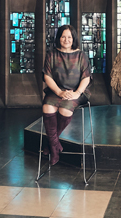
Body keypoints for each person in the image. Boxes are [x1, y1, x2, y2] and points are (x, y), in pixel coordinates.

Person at [41, 24, 92, 165]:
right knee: (47, 107)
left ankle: (51, 144)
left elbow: (86, 77)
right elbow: (47, 76)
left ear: (73, 38)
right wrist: (59, 92)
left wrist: (76, 93)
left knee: (64, 110)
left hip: (77, 92)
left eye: (69, 37)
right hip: (56, 91)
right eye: (63, 36)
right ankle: (55, 146)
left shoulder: (81, 55)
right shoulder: (51, 54)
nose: (66, 39)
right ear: (59, 38)